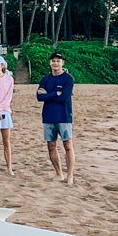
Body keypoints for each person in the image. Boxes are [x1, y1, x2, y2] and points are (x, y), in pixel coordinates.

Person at [37, 51, 75, 184]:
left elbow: (64, 98)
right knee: (51, 146)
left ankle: (70, 175)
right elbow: (39, 97)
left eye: (58, 61)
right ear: (50, 62)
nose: (55, 63)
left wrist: (49, 95)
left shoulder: (68, 79)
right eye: (53, 60)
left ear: (62, 63)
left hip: (64, 116)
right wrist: (55, 93)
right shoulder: (45, 79)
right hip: (48, 116)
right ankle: (59, 173)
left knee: (68, 145)